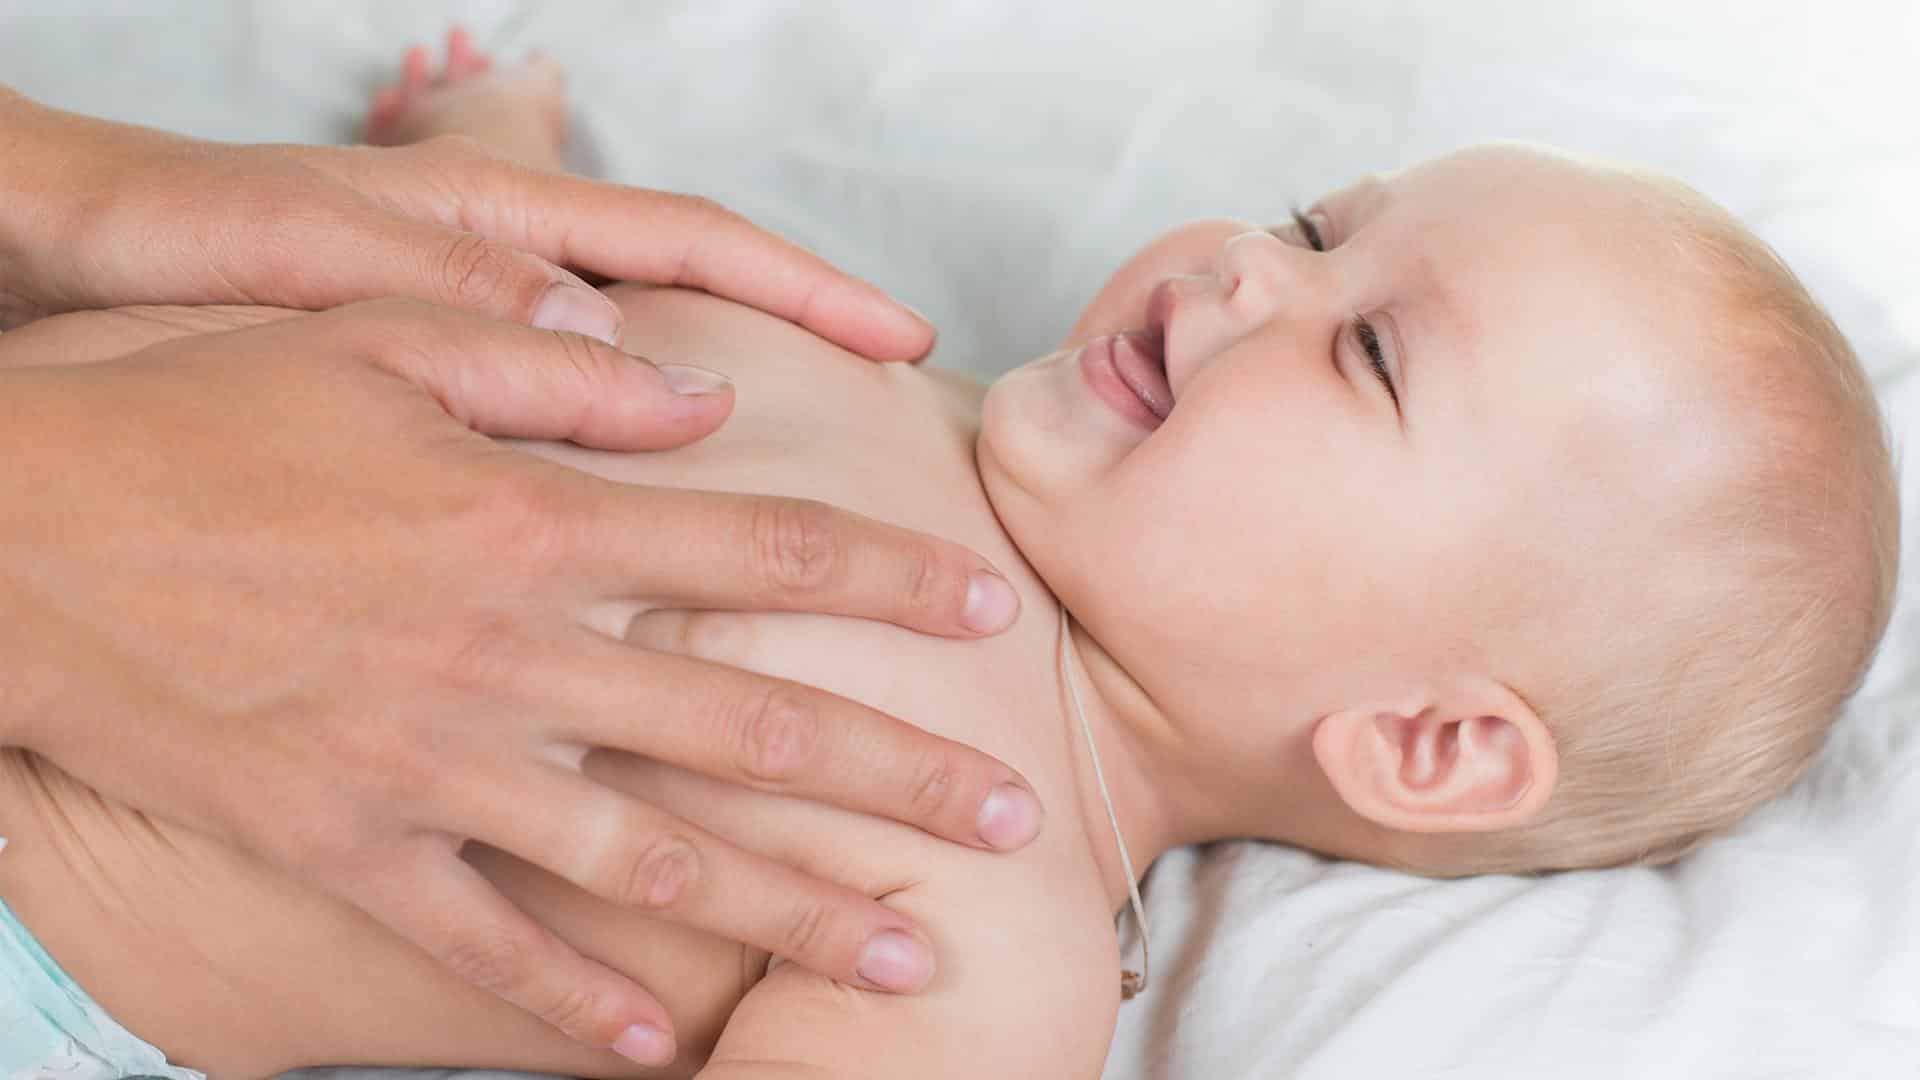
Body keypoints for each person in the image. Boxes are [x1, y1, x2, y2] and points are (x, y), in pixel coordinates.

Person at [0, 32, 1898, 1080]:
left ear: (1428, 743)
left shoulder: (989, 930)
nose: (1250, 267)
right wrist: (497, 129)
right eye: (1320, 226)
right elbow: (528, 262)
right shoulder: (869, 351)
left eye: (1371, 347)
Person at [0, 31, 1064, 1072]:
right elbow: (542, 296)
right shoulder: (879, 360)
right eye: (1242, 229)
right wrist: (488, 150)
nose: (1238, 267)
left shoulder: (1008, 897)